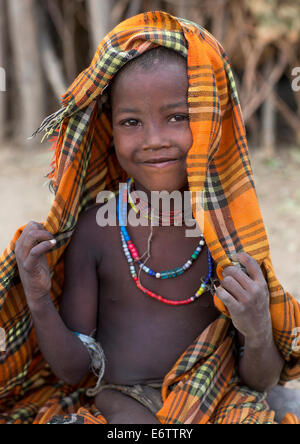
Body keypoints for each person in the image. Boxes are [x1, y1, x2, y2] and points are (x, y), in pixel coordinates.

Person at [0, 11, 299, 424]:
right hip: (124, 402)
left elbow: (259, 379)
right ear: (109, 130)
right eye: (131, 122)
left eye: (178, 117)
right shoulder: (94, 232)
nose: (154, 140)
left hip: (218, 396)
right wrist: (37, 297)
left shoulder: (228, 233)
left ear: (211, 123)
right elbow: (72, 371)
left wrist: (258, 326)